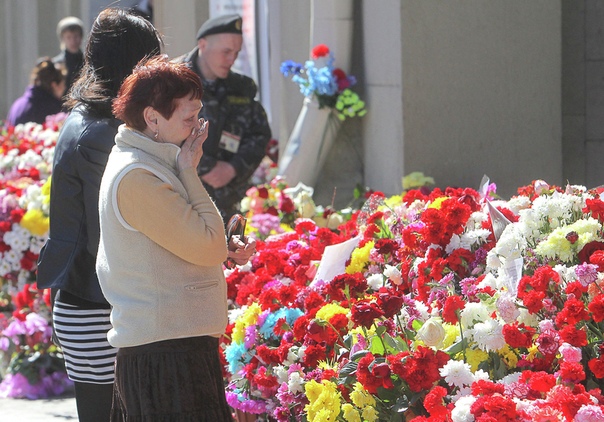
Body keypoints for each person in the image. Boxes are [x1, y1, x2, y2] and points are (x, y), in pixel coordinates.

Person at [97, 55, 245, 420]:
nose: (199, 126)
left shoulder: (149, 161)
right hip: (166, 355)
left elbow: (195, 242)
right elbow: (207, 246)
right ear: (152, 118)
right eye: (189, 117)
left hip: (173, 346)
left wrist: (224, 245)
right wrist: (190, 173)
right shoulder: (138, 175)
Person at [36, 9, 163, 422]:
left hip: (86, 299)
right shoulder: (104, 135)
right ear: (130, 64)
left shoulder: (88, 120)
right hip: (99, 303)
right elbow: (121, 229)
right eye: (150, 63)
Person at [177, 14, 272, 222]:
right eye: (226, 52)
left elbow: (260, 133)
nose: (232, 59)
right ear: (202, 44)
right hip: (182, 200)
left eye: (236, 53)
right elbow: (160, 134)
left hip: (229, 202)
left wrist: (233, 167)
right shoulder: (172, 82)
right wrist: (206, 167)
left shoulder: (241, 87)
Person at [6, 57, 65, 126]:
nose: (64, 88)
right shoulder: (54, 110)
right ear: (54, 85)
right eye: (63, 84)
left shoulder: (17, 105)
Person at [52, 16, 85, 96]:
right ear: (62, 39)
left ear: (81, 37)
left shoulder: (87, 62)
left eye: (76, 36)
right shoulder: (56, 64)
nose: (73, 41)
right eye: (68, 37)